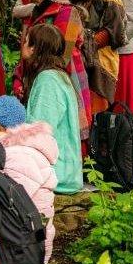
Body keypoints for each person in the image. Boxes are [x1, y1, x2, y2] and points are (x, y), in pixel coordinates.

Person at [12, 0, 91, 139]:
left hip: (62, 80)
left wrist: (31, 67)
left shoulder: (68, 13)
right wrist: (20, 77)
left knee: (62, 133)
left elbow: (62, 56)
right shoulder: (36, 12)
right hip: (38, 77)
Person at [0, 95, 57, 262]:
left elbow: (13, 198)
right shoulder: (16, 148)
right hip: (29, 231)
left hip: (28, 235)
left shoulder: (19, 154)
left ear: (3, 125)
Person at [58, 0, 126, 116]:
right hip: (76, 64)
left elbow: (115, 33)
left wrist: (83, 42)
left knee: (95, 116)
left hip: (100, 67)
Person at [20, 24, 83, 193]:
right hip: (60, 171)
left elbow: (40, 131)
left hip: (57, 174)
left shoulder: (48, 79)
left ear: (34, 48)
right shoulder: (56, 75)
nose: (23, 44)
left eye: (26, 41)